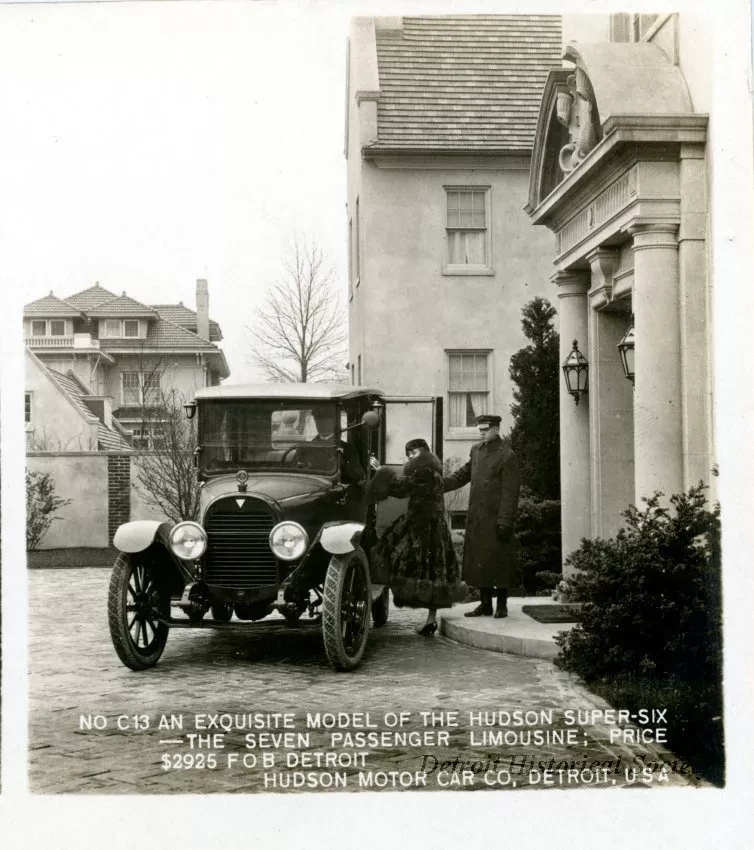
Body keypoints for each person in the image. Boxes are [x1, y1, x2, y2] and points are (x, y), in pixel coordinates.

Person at [369, 438, 467, 635]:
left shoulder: (423, 472)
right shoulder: (433, 472)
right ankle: (430, 620)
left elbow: (400, 489)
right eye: (409, 454)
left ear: (424, 453)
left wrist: (380, 471)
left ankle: (378, 597)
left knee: (387, 553)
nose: (410, 457)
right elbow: (450, 482)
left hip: (422, 527)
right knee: (434, 573)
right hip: (434, 528)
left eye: (413, 453)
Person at [443, 414, 520, 618]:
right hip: (478, 516)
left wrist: (504, 521)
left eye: (486, 430)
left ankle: (501, 605)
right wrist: (440, 485)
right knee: (480, 561)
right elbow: (463, 474)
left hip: (496, 518)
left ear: (496, 429)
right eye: (480, 430)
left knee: (500, 562)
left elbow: (510, 493)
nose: (482, 433)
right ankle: (485, 604)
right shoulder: (476, 450)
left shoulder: (507, 456)